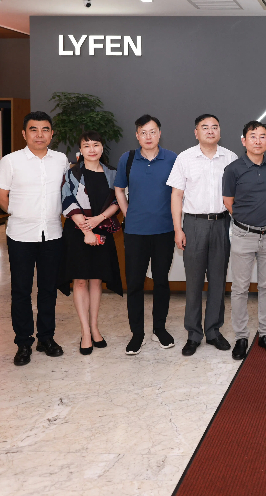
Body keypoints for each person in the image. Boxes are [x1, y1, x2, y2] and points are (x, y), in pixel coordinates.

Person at [0, 111, 69, 366]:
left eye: (45, 129)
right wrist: (20, 214)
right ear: (24, 134)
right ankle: (23, 342)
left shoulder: (60, 160)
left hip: (53, 234)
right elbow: (1, 196)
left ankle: (46, 338)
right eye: (33, 130)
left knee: (48, 289)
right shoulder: (10, 161)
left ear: (52, 133)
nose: (39, 135)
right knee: (21, 290)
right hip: (20, 235)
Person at [169, 114, 238, 357]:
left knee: (218, 281)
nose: (210, 131)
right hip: (194, 224)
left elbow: (237, 195)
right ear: (196, 132)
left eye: (214, 127)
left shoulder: (230, 158)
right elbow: (176, 195)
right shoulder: (185, 158)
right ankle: (193, 334)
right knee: (194, 282)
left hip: (221, 224)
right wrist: (178, 229)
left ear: (220, 131)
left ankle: (213, 331)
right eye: (205, 127)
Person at [114, 115, 178, 356]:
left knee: (161, 281)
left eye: (152, 132)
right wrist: (127, 213)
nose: (148, 137)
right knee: (134, 283)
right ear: (137, 135)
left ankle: (159, 329)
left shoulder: (172, 158)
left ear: (159, 133)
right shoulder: (128, 158)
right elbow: (119, 189)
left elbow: (179, 192)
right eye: (143, 132)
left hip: (164, 230)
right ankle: (137, 334)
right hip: (135, 232)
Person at [222, 121, 266, 360]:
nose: (258, 140)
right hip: (243, 235)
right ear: (243, 140)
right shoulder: (233, 169)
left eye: (262, 136)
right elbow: (228, 202)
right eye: (253, 136)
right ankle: (241, 337)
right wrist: (246, 222)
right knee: (240, 288)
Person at [61, 131, 123, 355]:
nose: (92, 149)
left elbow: (118, 200)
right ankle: (85, 332)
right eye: (86, 146)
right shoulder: (72, 173)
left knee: (96, 281)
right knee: (80, 282)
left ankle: (95, 327)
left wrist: (99, 219)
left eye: (96, 145)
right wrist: (87, 230)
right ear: (80, 150)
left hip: (102, 229)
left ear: (102, 148)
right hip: (77, 232)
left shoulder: (112, 173)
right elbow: (67, 201)